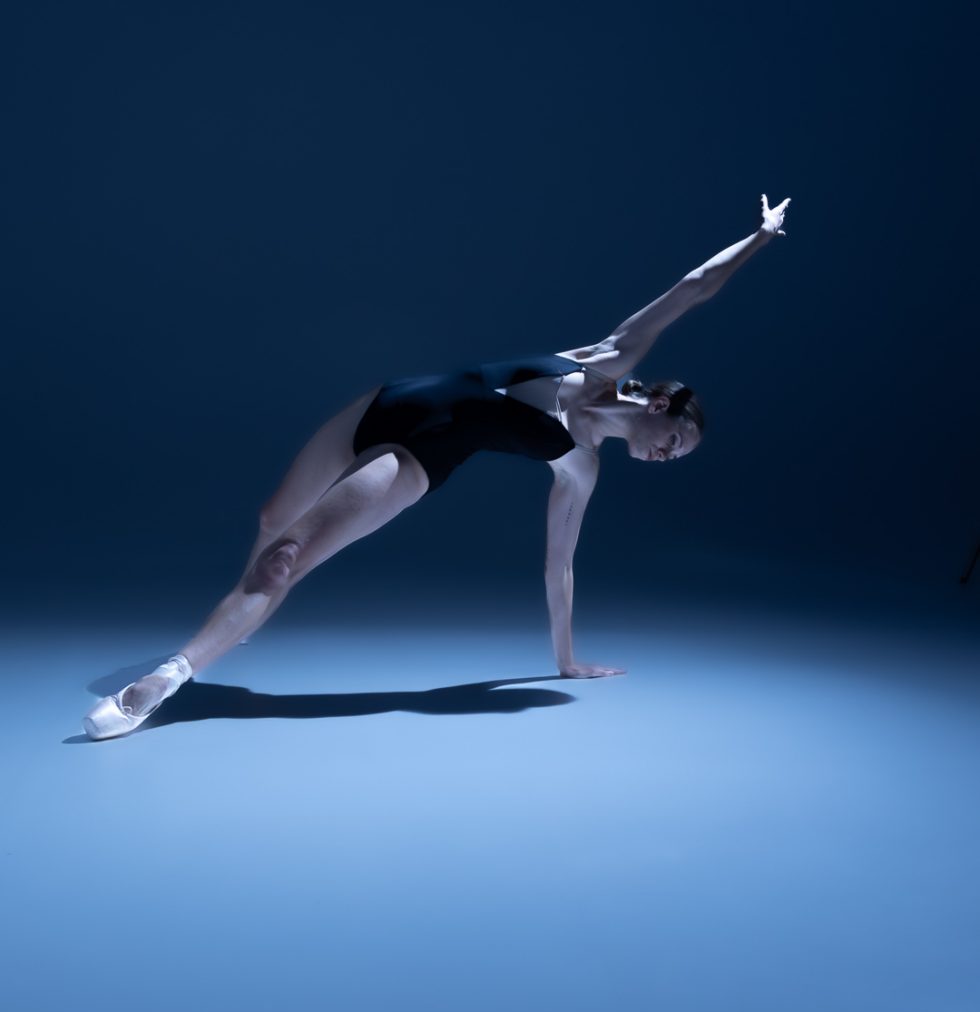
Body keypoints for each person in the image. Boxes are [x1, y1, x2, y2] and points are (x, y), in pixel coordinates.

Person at [82, 193, 791, 740]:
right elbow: (695, 286)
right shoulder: (608, 361)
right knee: (272, 522)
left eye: (675, 460)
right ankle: (242, 622)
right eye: (676, 444)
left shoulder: (581, 466)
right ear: (661, 406)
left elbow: (559, 567)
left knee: (284, 559)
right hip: (386, 401)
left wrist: (567, 660)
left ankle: (164, 681)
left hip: (418, 455)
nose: (668, 459)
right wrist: (760, 238)